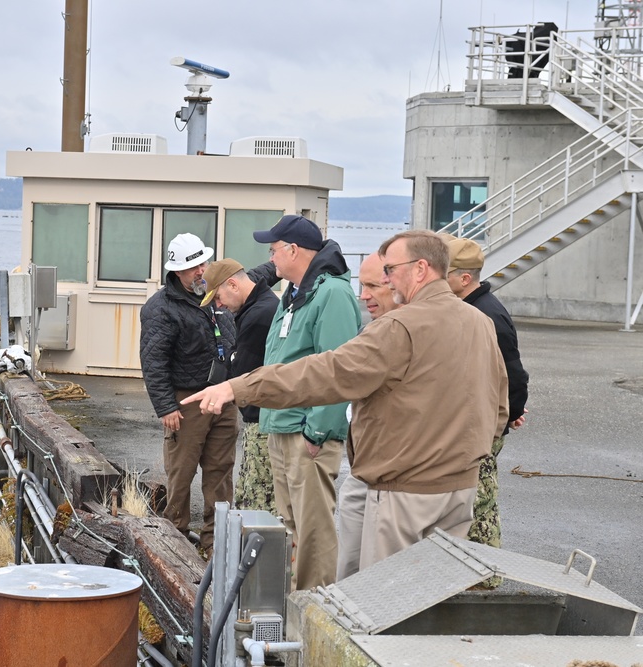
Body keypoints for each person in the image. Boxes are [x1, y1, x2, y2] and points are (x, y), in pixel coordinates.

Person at [183, 230, 509, 571]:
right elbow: (498, 406)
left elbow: (327, 372)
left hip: (405, 492)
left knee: (383, 600)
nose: (385, 281)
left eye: (390, 271)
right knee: (430, 592)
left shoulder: (399, 326)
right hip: (460, 490)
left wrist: (238, 387)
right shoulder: (480, 322)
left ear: (420, 269)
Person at [248, 214, 361, 589]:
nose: (271, 257)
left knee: (313, 528)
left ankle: (314, 609)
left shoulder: (331, 293)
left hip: (305, 432)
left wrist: (318, 429)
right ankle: (295, 603)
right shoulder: (295, 294)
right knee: (291, 525)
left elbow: (339, 367)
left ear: (294, 250)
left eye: (274, 249)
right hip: (282, 426)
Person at [139, 233, 239, 555]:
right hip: (186, 402)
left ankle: (215, 545)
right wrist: (166, 406)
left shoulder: (217, 296)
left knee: (221, 472)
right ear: (177, 271)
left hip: (223, 397)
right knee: (181, 474)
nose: (201, 271)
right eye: (194, 266)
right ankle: (175, 543)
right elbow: (153, 361)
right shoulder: (160, 308)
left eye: (204, 263)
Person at [444, 236, 529, 550]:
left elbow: (514, 374)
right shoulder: (471, 308)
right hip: (475, 421)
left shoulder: (487, 315)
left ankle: (484, 578)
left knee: (478, 503)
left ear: (464, 278)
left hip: (481, 429)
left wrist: (507, 416)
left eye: (444, 275)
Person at [336, 252, 400, 580]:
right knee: (348, 565)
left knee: (382, 578)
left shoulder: (408, 332)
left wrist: (244, 388)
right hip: (363, 471)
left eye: (372, 285)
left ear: (400, 283)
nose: (363, 296)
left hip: (398, 483)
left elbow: (326, 374)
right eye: (362, 285)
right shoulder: (375, 330)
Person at [199, 258, 280, 515]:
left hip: (262, 420)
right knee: (249, 496)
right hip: (262, 418)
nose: (219, 305)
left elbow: (243, 374)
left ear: (233, 284)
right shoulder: (260, 306)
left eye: (219, 297)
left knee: (257, 503)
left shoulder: (258, 315)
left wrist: (233, 362)